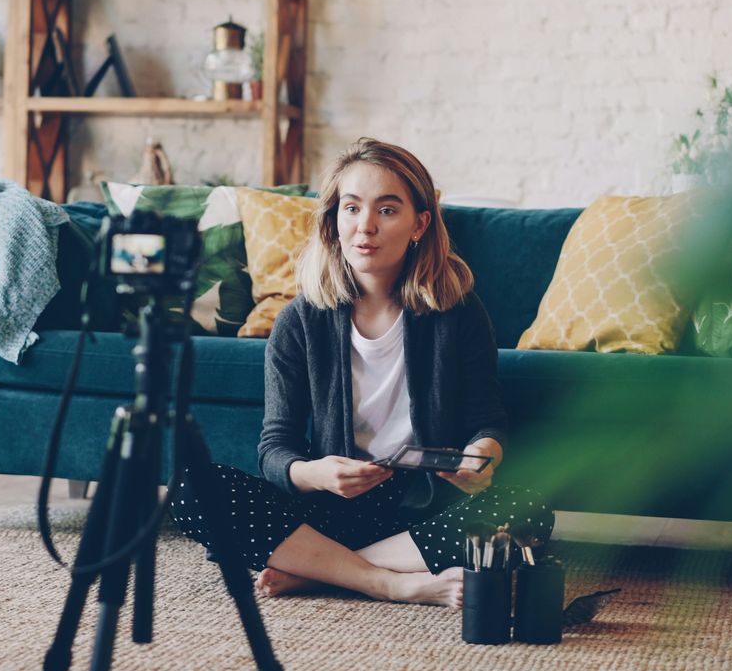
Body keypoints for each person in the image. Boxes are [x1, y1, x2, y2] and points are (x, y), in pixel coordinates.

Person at [169, 138, 552, 607]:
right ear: (333, 219)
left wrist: (481, 456)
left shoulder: (458, 312)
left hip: (422, 509)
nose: (365, 226)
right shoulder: (299, 321)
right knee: (193, 488)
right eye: (351, 208)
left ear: (420, 224)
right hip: (328, 510)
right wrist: (315, 474)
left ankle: (319, 570)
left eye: (387, 210)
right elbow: (275, 447)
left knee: (528, 508)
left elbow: (486, 420)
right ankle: (387, 581)